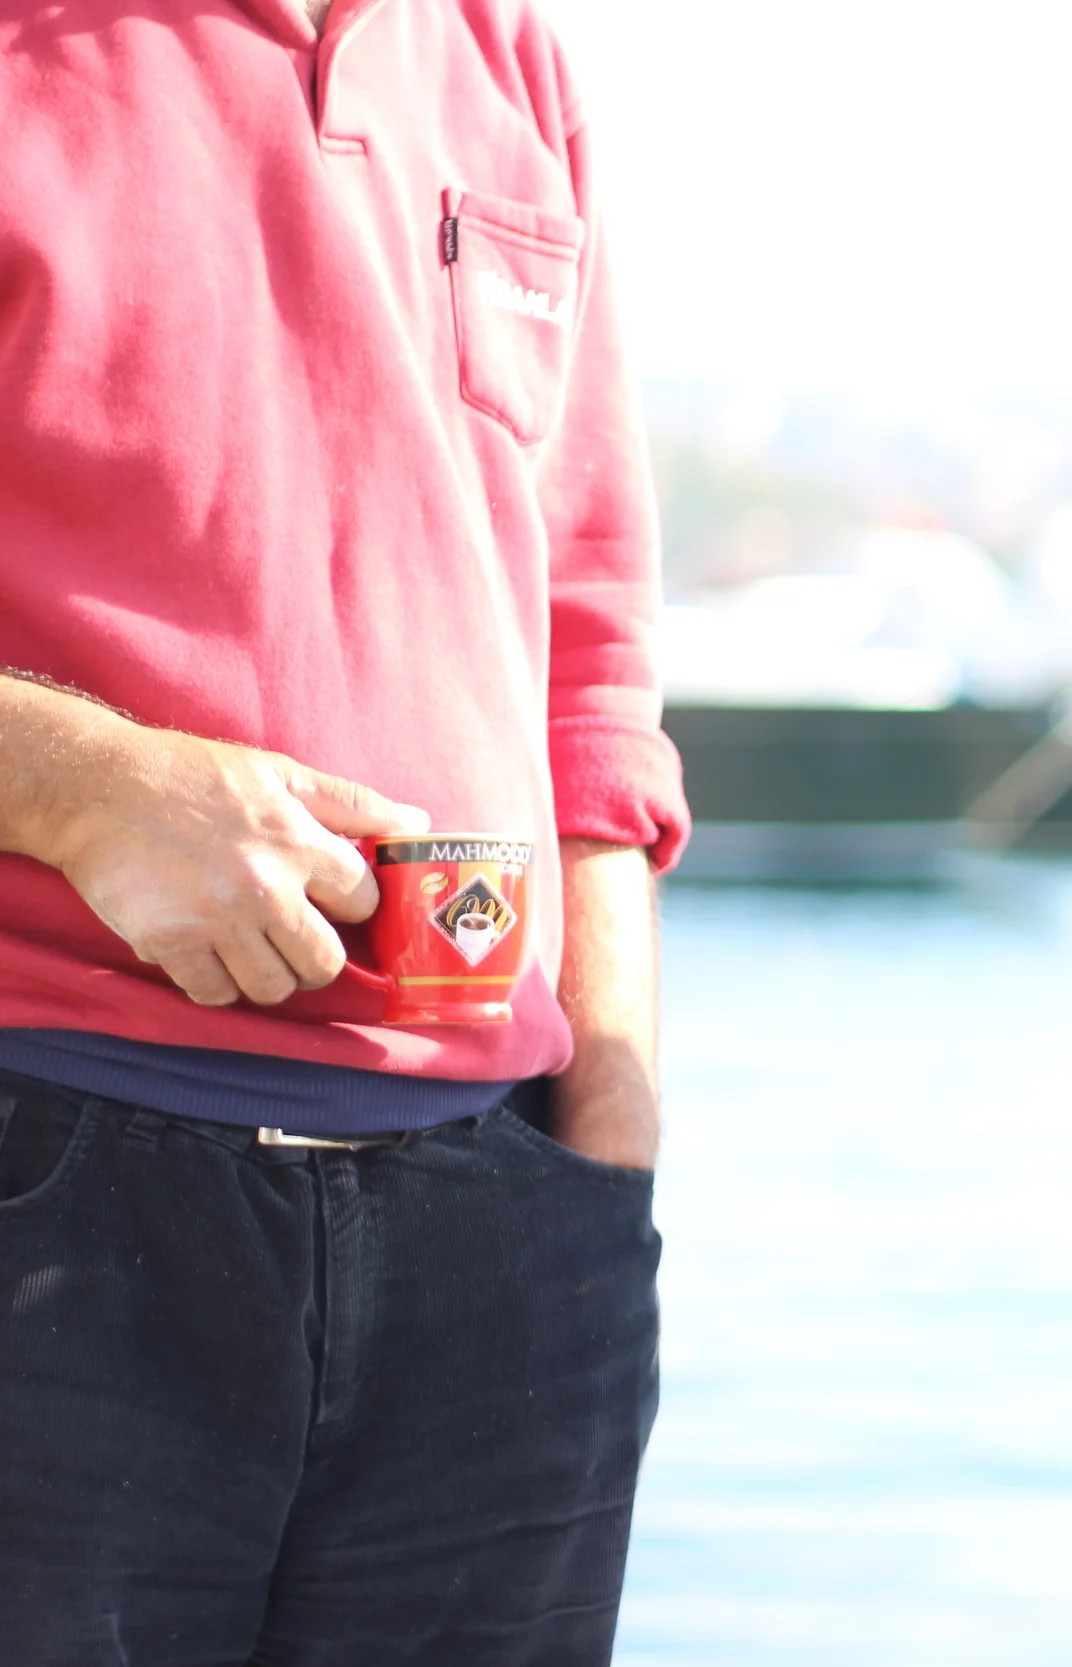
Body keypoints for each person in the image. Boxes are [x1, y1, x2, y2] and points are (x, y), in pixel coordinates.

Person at [0, 0, 685, 1660]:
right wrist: (77, 783)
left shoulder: (506, 55)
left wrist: (603, 1135)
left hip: (506, 1234)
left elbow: (588, 651)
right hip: (51, 1178)